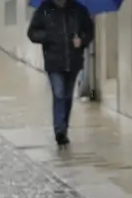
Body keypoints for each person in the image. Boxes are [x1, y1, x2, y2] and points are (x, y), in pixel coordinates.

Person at [27, 0, 94, 146]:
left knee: (67, 96)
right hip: (53, 62)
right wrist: (49, 37)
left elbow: (89, 32)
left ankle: (64, 128)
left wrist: (81, 41)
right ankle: (59, 130)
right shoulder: (45, 9)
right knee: (59, 93)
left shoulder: (79, 10)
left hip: (73, 61)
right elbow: (32, 33)